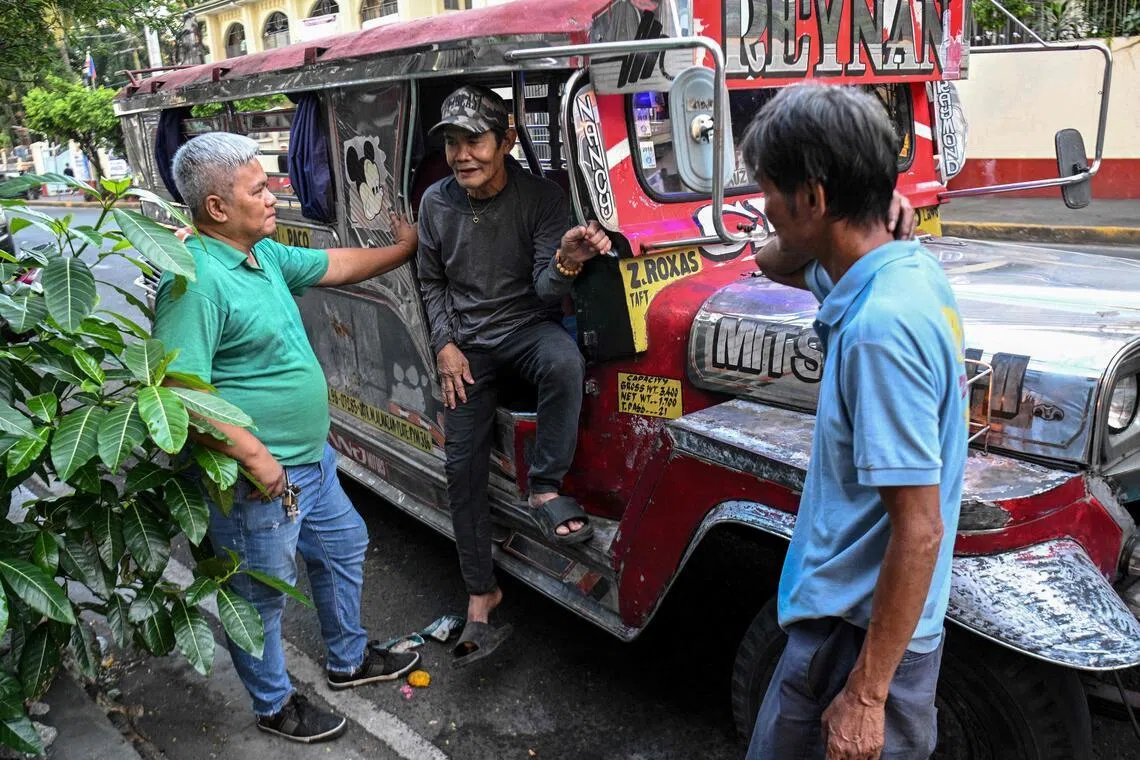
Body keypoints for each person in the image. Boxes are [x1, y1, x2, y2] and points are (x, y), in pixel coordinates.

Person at [153, 132, 420, 744]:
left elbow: (339, 266)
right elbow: (177, 390)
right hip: (257, 477)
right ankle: (274, 705)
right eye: (258, 189)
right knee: (258, 597)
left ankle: (348, 661)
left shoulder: (263, 255)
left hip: (311, 464)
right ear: (217, 208)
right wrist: (253, 455)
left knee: (343, 546)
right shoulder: (193, 280)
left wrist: (403, 248)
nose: (275, 195)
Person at [742, 84, 967, 760]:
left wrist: (867, 696)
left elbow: (920, 529)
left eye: (770, 192)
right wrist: (866, 208)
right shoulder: (893, 269)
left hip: (857, 638)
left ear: (812, 199)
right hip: (855, 625)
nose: (763, 208)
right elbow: (768, 258)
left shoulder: (879, 328)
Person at [416, 85, 612, 666]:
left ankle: (545, 485)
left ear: (505, 141)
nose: (462, 155)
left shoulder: (541, 198)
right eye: (451, 143)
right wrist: (445, 345)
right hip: (468, 347)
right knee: (460, 465)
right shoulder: (435, 202)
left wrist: (566, 262)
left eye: (474, 140)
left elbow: (550, 289)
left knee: (564, 360)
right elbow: (430, 281)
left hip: (526, 328)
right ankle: (481, 592)